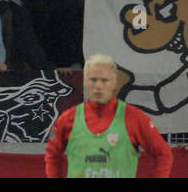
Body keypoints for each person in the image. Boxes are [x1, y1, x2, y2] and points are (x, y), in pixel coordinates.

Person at [44, 54, 172, 178]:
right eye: (93, 79)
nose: (98, 86)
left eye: (104, 80)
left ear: (114, 83)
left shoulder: (134, 117)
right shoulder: (67, 119)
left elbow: (164, 154)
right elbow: (52, 155)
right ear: (85, 82)